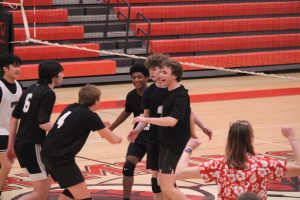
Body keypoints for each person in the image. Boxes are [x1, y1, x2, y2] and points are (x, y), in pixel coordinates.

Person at [175, 121, 300, 200]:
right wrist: (292, 138)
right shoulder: (264, 164)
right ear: (251, 138)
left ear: (229, 140)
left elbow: (179, 173)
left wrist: (188, 148)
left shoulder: (219, 165)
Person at [41, 84, 122, 200]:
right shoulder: (89, 115)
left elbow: (93, 129)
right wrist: (119, 138)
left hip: (47, 154)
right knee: (84, 197)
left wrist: (103, 128)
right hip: (60, 158)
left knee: (70, 192)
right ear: (96, 100)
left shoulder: (71, 108)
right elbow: (113, 140)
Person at [133, 59, 191, 200]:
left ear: (175, 75)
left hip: (174, 144)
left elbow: (172, 121)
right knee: (162, 183)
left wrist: (147, 120)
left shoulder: (181, 95)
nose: (161, 75)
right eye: (161, 72)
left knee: (167, 187)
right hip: (164, 142)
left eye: (165, 72)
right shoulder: (169, 92)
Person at [7, 60, 64, 200]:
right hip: (33, 145)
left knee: (42, 188)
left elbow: (14, 118)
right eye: (61, 73)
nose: (63, 76)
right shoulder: (48, 93)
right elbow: (43, 124)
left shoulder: (30, 88)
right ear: (54, 76)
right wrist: (63, 130)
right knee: (41, 193)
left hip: (21, 143)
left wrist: (11, 145)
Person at [108, 63, 149, 200]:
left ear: (147, 78)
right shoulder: (131, 95)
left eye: (140, 77)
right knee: (128, 167)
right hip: (139, 135)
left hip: (157, 137)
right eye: (134, 77)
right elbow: (126, 112)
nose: (136, 80)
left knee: (163, 172)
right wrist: (111, 128)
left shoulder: (155, 94)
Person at [0, 54, 22, 199]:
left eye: (19, 65)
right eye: (15, 66)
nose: (18, 69)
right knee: (7, 165)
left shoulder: (19, 86)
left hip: (11, 132)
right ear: (5, 68)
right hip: (0, 131)